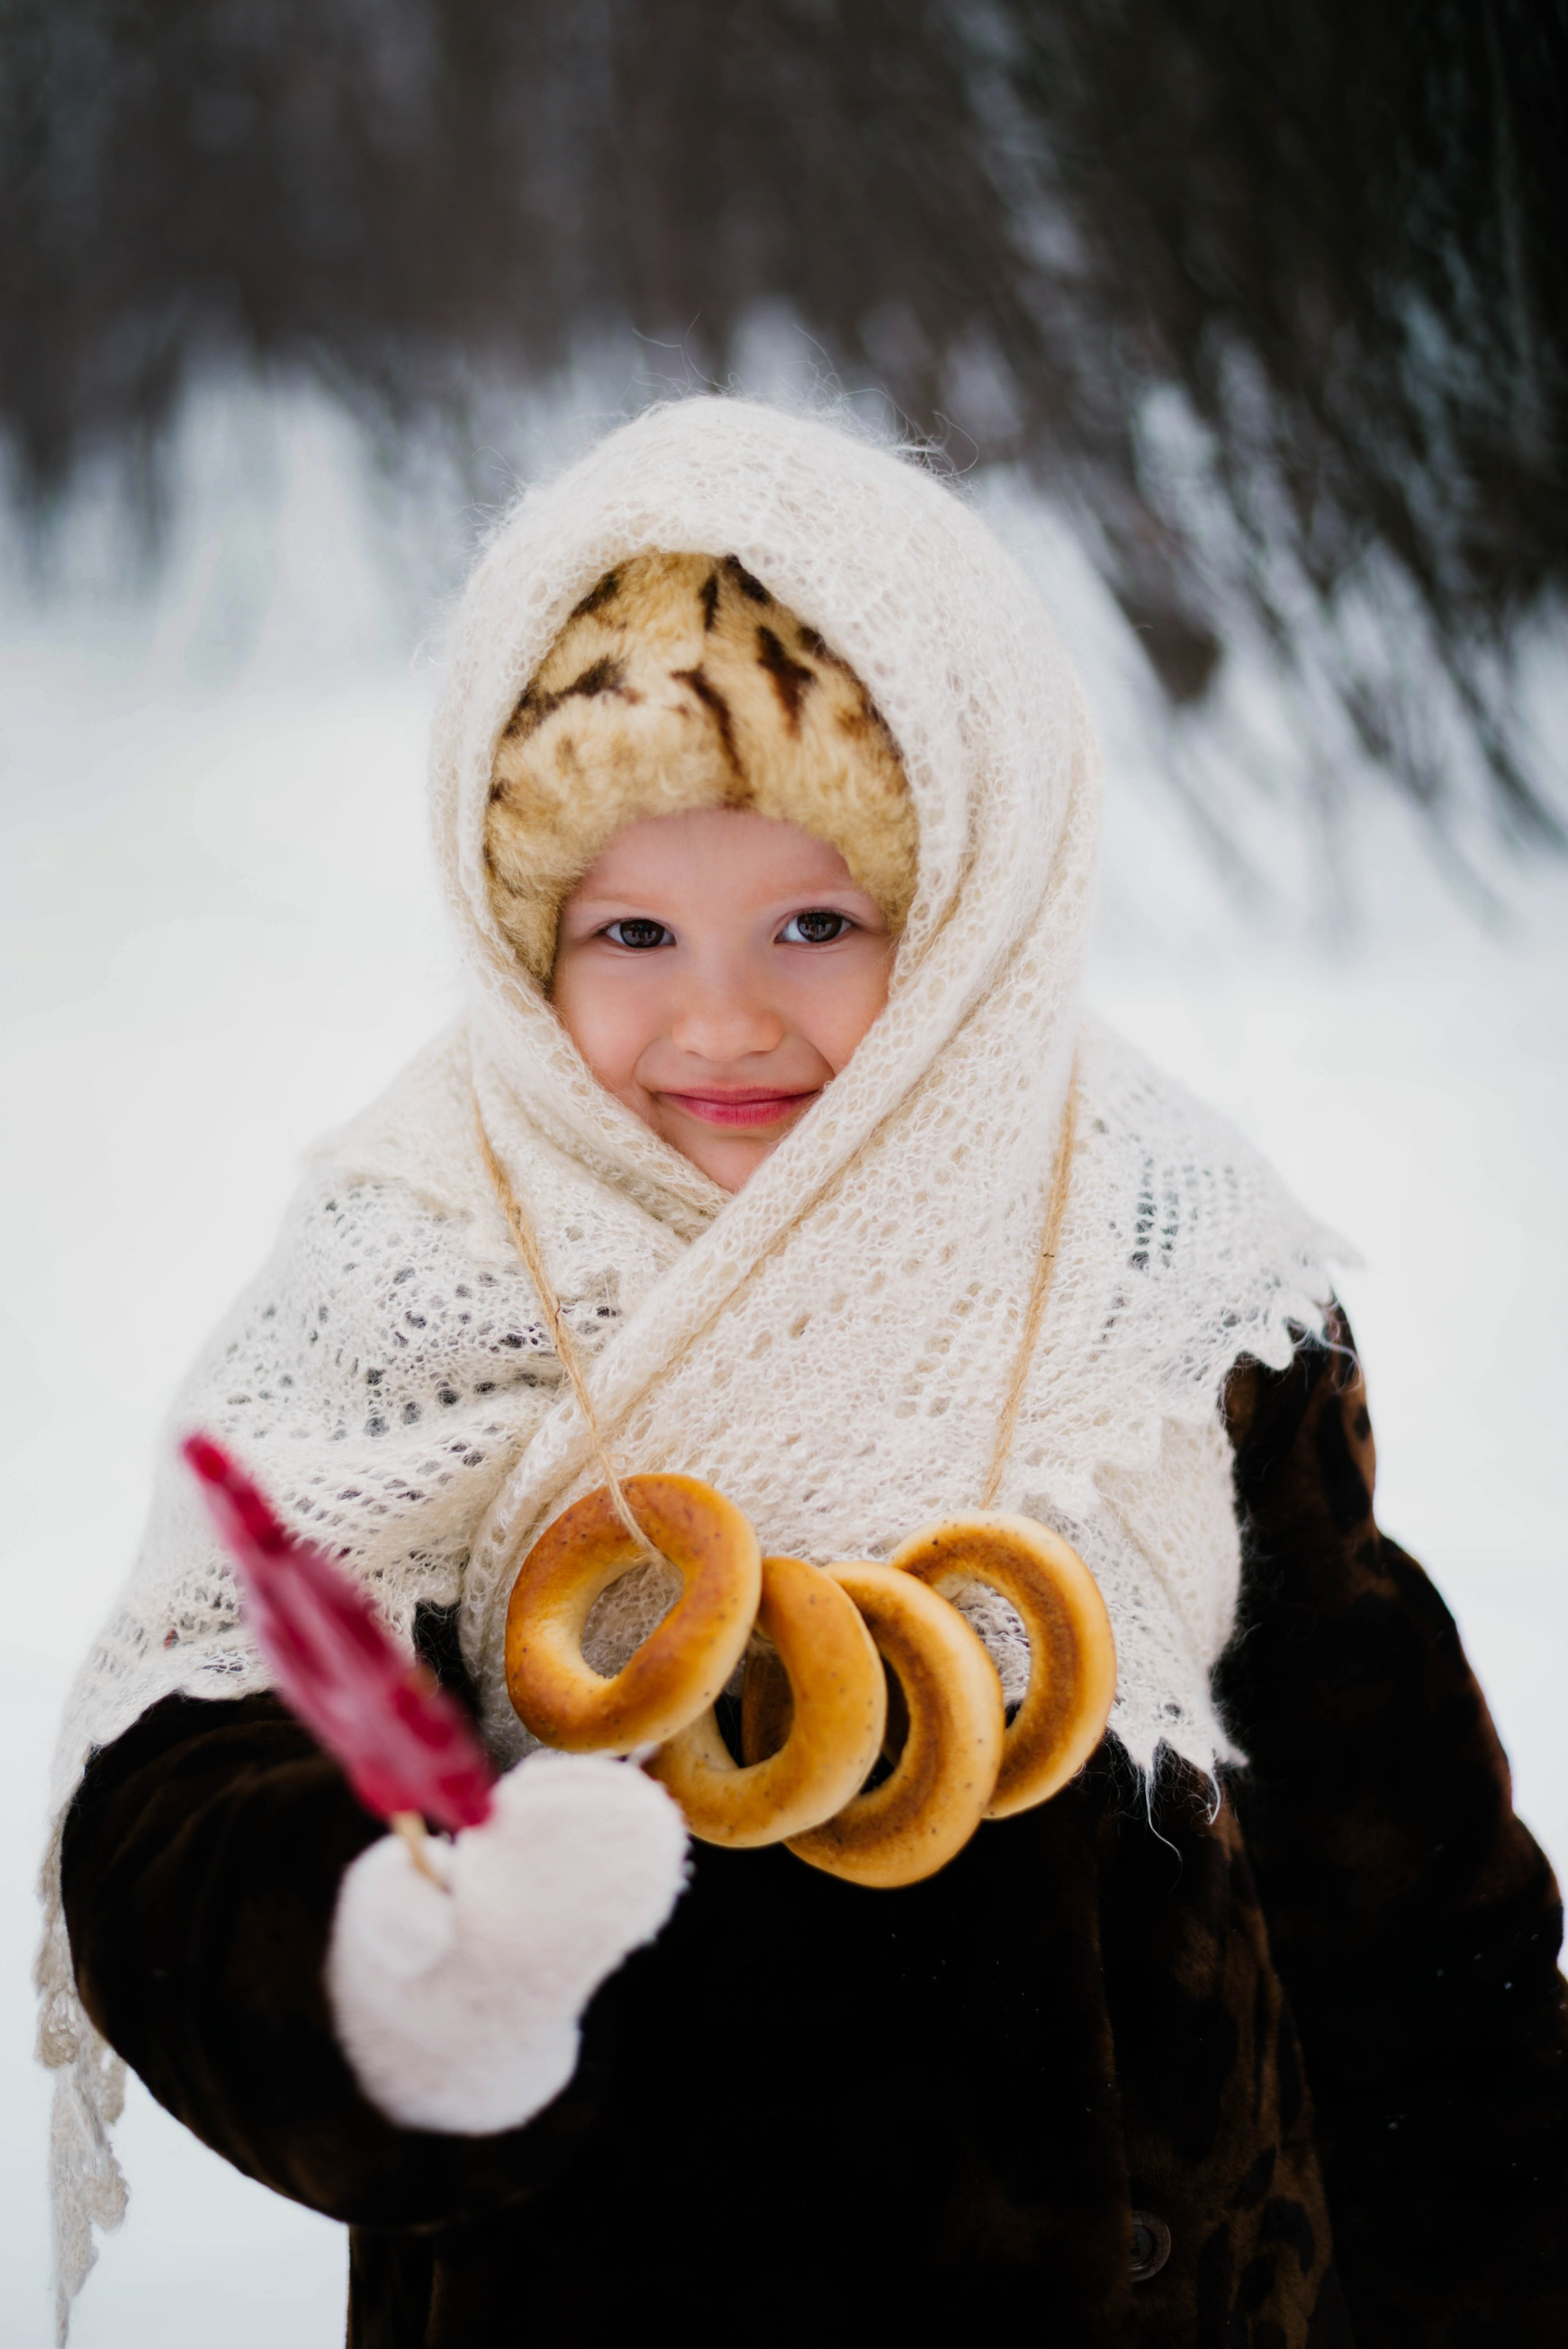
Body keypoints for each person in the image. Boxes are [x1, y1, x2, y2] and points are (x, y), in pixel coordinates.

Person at [39, 401, 1566, 2347]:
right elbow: (199, 1753)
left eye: (819, 922)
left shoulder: (1158, 1269)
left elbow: (1406, 1886)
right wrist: (373, 1966)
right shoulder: (425, 1276)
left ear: (967, 922)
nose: (721, 1012)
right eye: (635, 929)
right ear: (528, 939)